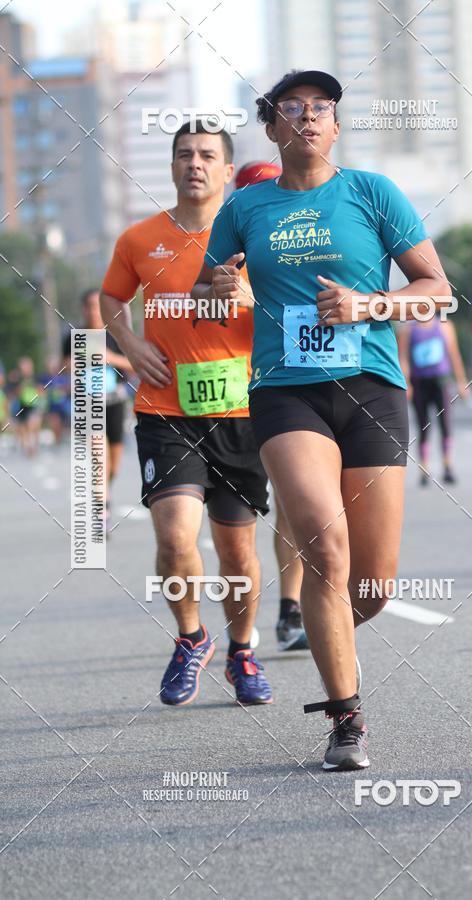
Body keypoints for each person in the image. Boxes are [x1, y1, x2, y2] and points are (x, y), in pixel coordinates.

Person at [194, 70, 451, 769]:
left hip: (372, 388)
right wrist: (221, 289)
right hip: (287, 393)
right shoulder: (244, 207)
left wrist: (370, 305)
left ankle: (330, 625)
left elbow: (437, 291)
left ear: (336, 126)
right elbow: (205, 298)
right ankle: (346, 717)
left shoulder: (372, 192)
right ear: (272, 128)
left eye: (321, 108)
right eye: (292, 108)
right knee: (324, 550)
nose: (307, 117)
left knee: (371, 586)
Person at [100, 121, 272, 707]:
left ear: (228, 170)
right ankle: (192, 637)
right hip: (165, 411)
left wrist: (252, 299)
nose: (194, 163)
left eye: (206, 155)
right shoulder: (139, 239)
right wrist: (129, 343)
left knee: (237, 551)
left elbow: (295, 308)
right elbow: (111, 297)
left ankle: (242, 650)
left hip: (242, 412)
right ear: (172, 166)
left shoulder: (257, 236)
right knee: (176, 537)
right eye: (184, 154)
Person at [235, 160, 308, 652]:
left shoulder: (296, 254)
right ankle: (240, 625)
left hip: (279, 394)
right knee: (235, 525)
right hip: (226, 407)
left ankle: (290, 610)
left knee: (292, 507)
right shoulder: (221, 253)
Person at [63, 289, 134, 525]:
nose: (94, 311)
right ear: (84, 309)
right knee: (97, 454)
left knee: (114, 460)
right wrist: (76, 363)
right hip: (88, 403)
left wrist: (110, 358)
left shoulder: (116, 335)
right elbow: (64, 367)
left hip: (115, 402)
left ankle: (104, 490)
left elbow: (135, 365)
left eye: (98, 306)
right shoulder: (74, 336)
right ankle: (102, 508)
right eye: (90, 306)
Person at [398, 315, 469, 485]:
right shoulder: (408, 330)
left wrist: (461, 381)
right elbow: (403, 359)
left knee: (445, 424)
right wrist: (406, 383)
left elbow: (454, 354)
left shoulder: (444, 326)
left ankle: (448, 465)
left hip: (441, 382)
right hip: (419, 383)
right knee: (423, 426)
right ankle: (424, 469)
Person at [9, 357, 43, 457]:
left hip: (33, 405)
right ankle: (27, 447)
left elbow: (42, 391)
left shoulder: (36, 378)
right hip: (22, 406)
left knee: (33, 423)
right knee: (23, 427)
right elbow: (13, 393)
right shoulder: (17, 379)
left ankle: (34, 446)